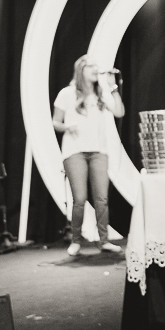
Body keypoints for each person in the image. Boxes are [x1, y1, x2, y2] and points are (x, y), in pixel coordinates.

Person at [53, 55, 124, 256]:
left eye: (96, 66)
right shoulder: (67, 94)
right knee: (80, 198)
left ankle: (104, 241)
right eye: (91, 66)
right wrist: (67, 126)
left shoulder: (102, 95)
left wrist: (113, 87)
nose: (96, 69)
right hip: (74, 151)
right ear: (81, 70)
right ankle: (76, 240)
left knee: (101, 198)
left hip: (99, 152)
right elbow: (55, 122)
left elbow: (119, 112)